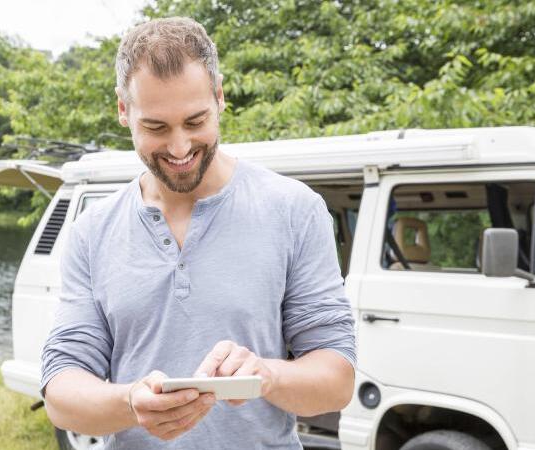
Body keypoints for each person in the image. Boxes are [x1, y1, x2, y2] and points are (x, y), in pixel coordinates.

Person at [40, 16, 356, 449]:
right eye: (155, 127)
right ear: (122, 110)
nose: (180, 148)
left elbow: (336, 380)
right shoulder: (92, 231)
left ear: (220, 96)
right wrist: (130, 402)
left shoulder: (294, 209)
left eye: (195, 121)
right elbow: (62, 391)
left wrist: (266, 375)